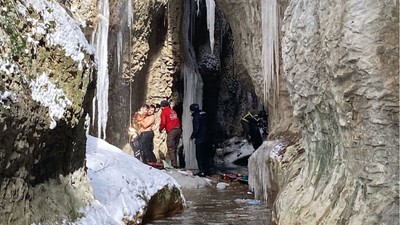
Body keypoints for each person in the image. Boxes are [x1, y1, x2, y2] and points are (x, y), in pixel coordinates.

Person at [159, 100, 182, 168]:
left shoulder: (164, 111)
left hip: (172, 130)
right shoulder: (173, 111)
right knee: (175, 147)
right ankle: (176, 163)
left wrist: (160, 129)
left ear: (162, 106)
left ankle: (174, 165)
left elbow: (163, 122)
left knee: (171, 147)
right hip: (178, 129)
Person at [190, 103, 211, 177]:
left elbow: (197, 128)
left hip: (200, 138)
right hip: (207, 138)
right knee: (206, 155)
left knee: (199, 155)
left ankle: (201, 171)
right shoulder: (204, 114)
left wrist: (193, 136)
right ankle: (207, 170)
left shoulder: (196, 116)